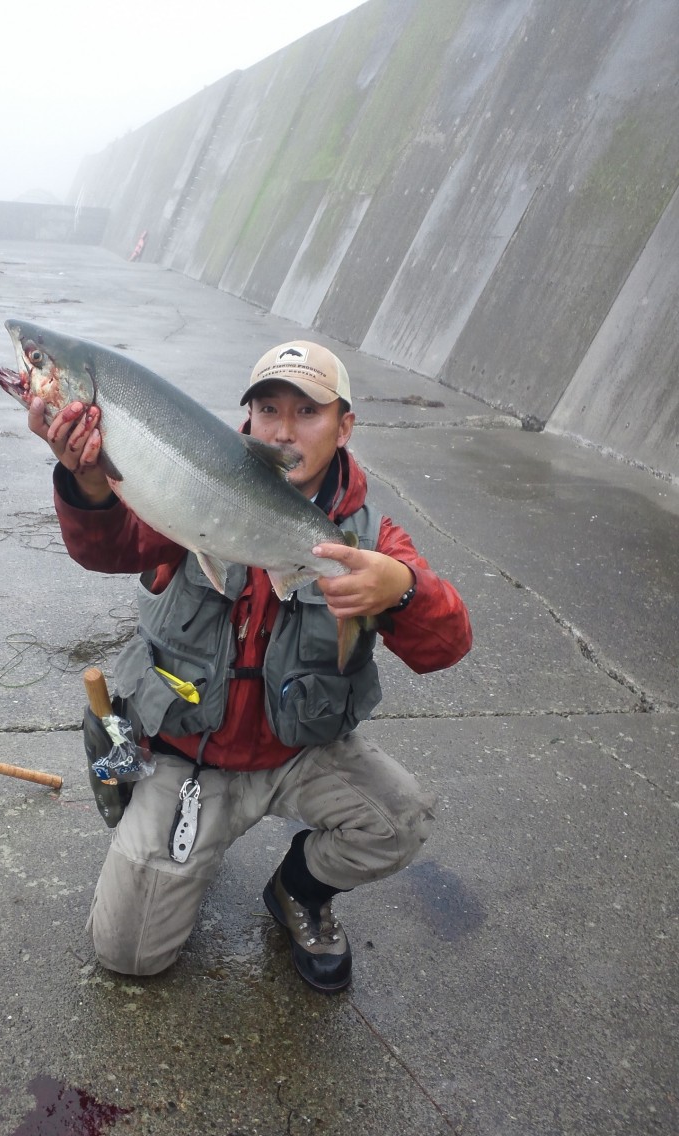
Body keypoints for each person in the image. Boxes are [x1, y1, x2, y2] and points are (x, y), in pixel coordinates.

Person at [29, 341, 472, 994]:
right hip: (189, 759)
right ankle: (162, 837)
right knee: (125, 951)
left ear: (345, 425)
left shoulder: (368, 539)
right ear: (251, 416)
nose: (285, 428)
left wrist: (401, 588)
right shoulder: (188, 476)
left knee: (400, 818)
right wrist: (89, 483)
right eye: (269, 408)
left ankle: (298, 889)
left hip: (297, 751)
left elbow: (447, 643)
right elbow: (111, 544)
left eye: (308, 410)